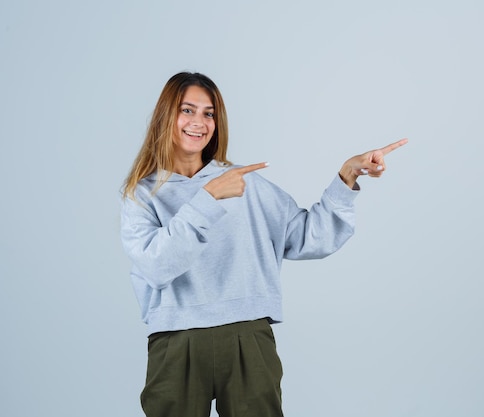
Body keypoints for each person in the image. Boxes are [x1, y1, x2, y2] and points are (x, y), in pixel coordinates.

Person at [120, 71, 408, 417]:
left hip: (248, 334)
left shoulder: (245, 184)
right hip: (176, 339)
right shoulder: (142, 192)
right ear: (166, 115)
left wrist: (346, 176)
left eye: (209, 113)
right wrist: (207, 199)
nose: (199, 122)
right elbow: (156, 266)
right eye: (187, 110)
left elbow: (306, 236)